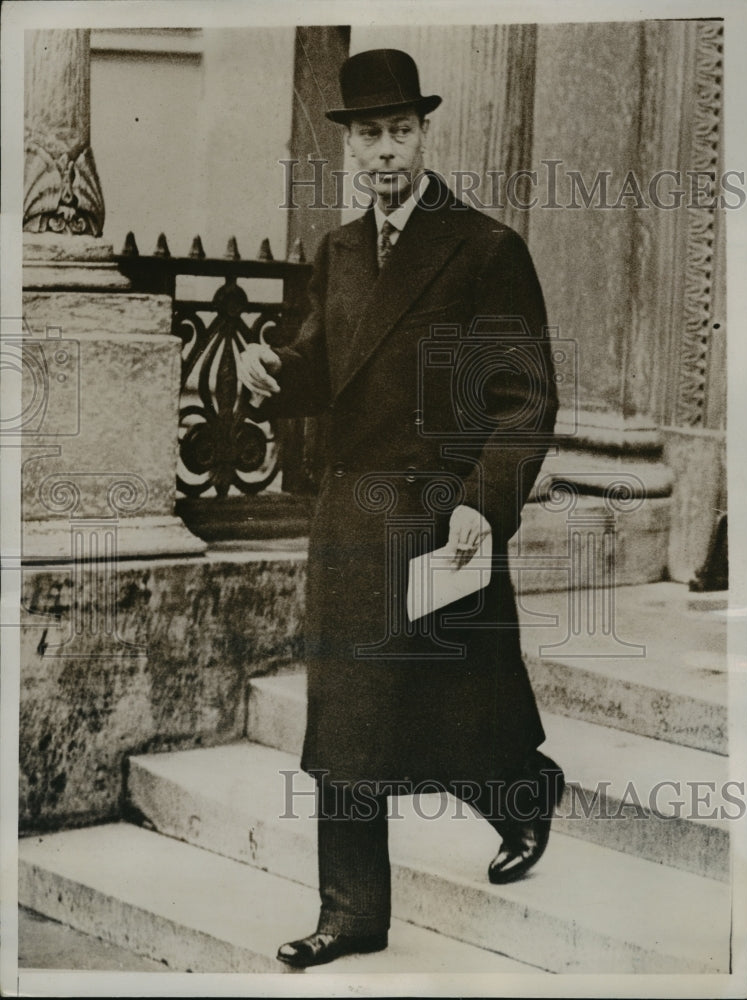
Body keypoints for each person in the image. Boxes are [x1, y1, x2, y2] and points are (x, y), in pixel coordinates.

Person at [236, 48, 564, 968]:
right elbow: (325, 367)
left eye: (400, 131)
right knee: (347, 721)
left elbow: (523, 396)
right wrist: (274, 374)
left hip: (439, 522)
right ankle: (352, 916)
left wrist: (484, 507)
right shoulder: (339, 250)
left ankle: (522, 793)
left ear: (424, 134)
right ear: (349, 146)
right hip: (350, 521)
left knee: (450, 712)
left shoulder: (485, 248)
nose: (384, 152)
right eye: (368, 135)